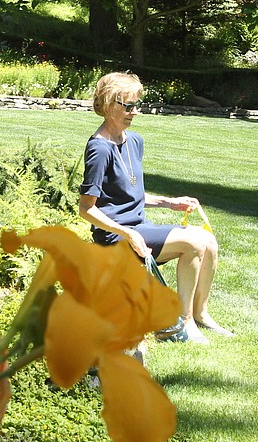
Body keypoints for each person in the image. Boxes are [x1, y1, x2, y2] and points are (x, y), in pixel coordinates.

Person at [78, 72, 229, 344]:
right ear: (110, 104)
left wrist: (169, 202)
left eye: (137, 104)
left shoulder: (134, 141)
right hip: (116, 239)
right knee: (193, 242)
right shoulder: (99, 149)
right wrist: (126, 233)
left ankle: (201, 314)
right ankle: (180, 324)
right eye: (128, 105)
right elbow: (87, 209)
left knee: (208, 241)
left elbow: (130, 192)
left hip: (139, 229)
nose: (135, 111)